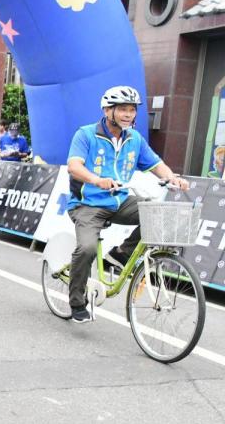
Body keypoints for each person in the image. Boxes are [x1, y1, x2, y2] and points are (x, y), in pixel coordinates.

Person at [65, 85, 188, 323]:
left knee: (155, 214)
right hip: (87, 204)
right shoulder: (86, 134)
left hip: (120, 201)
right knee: (88, 249)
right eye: (122, 109)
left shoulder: (134, 139)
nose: (128, 114)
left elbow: (155, 164)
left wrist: (173, 178)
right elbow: (74, 166)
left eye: (132, 110)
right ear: (107, 110)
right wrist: (96, 180)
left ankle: (121, 254)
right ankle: (77, 302)